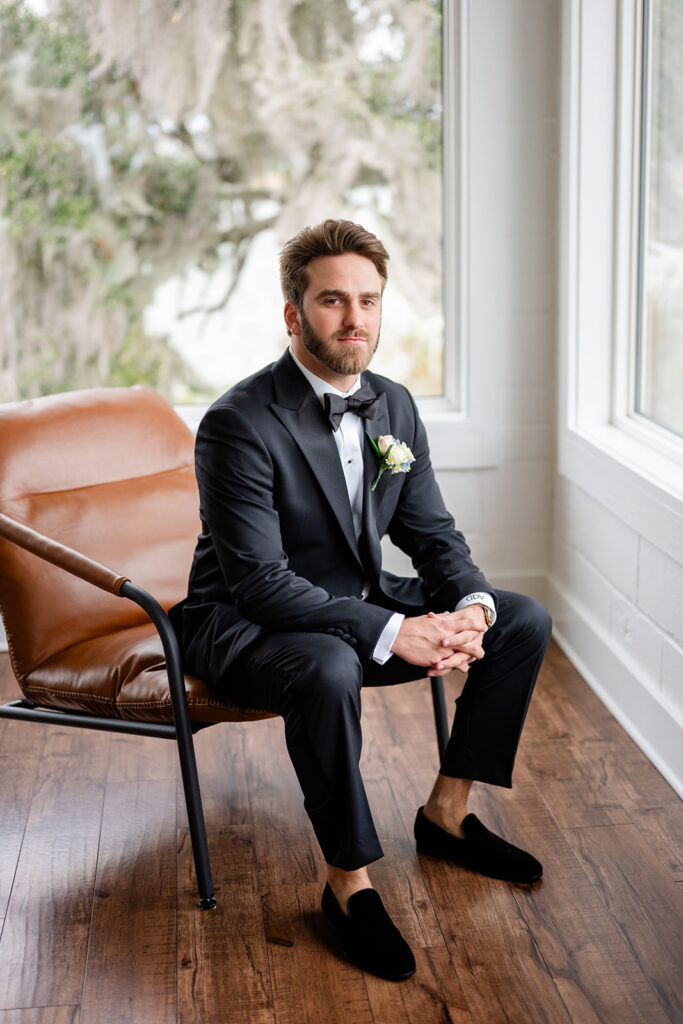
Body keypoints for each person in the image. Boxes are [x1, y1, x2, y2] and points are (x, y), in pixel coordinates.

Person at [175, 218, 552, 982]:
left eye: (369, 301)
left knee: (521, 618)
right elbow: (260, 582)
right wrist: (393, 631)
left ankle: (445, 815)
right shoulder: (237, 422)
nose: (355, 320)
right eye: (332, 301)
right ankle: (347, 885)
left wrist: (470, 606)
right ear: (293, 315)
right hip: (243, 624)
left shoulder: (393, 405)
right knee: (327, 667)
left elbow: (431, 534)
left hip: (353, 601)